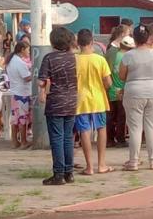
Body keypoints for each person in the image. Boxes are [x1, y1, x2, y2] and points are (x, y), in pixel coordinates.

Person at [38, 27, 78, 185]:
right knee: (68, 138)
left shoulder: (49, 58)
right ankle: (69, 172)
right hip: (72, 101)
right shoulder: (74, 58)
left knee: (57, 138)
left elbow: (41, 81)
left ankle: (58, 174)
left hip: (55, 102)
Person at [120, 25, 153, 171]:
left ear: (135, 39)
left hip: (134, 90)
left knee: (134, 128)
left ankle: (134, 160)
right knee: (152, 126)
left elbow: (122, 75)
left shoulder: (128, 55)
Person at [74, 29, 114, 176]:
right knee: (101, 129)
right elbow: (108, 82)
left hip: (80, 100)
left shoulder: (75, 60)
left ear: (78, 44)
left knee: (84, 131)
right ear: (92, 42)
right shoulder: (100, 59)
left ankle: (89, 166)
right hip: (98, 99)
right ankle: (101, 164)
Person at [105, 35, 133, 148]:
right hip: (123, 90)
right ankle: (120, 139)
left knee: (110, 116)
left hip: (111, 90)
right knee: (122, 117)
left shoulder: (114, 56)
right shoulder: (128, 57)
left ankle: (109, 140)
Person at [6, 42, 33, 149]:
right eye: (28, 50)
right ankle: (23, 141)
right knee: (22, 119)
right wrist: (34, 74)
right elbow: (26, 77)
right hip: (22, 94)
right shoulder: (19, 63)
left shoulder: (11, 61)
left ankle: (14, 141)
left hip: (15, 92)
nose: (29, 52)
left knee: (15, 118)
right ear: (22, 50)